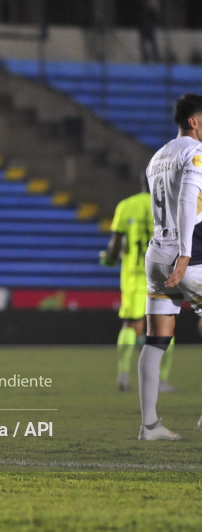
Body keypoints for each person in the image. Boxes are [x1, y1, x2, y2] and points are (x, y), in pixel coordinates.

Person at [136, 93, 202, 441]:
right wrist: (186, 253)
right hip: (185, 254)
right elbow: (189, 199)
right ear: (194, 121)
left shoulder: (157, 157)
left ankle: (149, 426)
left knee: (156, 340)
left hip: (157, 254)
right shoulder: (194, 153)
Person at [101, 177, 176, 393]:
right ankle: (160, 381)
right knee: (164, 328)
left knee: (131, 325)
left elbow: (115, 247)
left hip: (133, 276)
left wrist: (110, 258)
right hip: (161, 276)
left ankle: (123, 374)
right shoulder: (170, 208)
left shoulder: (126, 206)